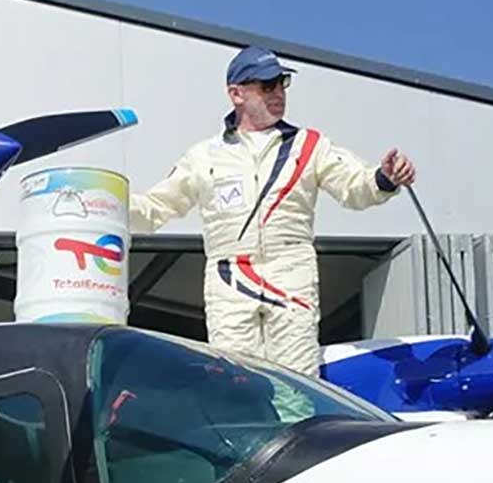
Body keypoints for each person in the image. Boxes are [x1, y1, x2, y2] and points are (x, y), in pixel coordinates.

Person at [130, 46, 417, 380]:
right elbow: (155, 207)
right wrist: (101, 201)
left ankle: (302, 433)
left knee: (297, 383)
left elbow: (355, 186)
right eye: (267, 86)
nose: (278, 92)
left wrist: (384, 178)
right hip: (229, 276)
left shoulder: (309, 145)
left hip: (291, 270)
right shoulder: (204, 155)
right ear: (236, 94)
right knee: (236, 383)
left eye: (281, 83)